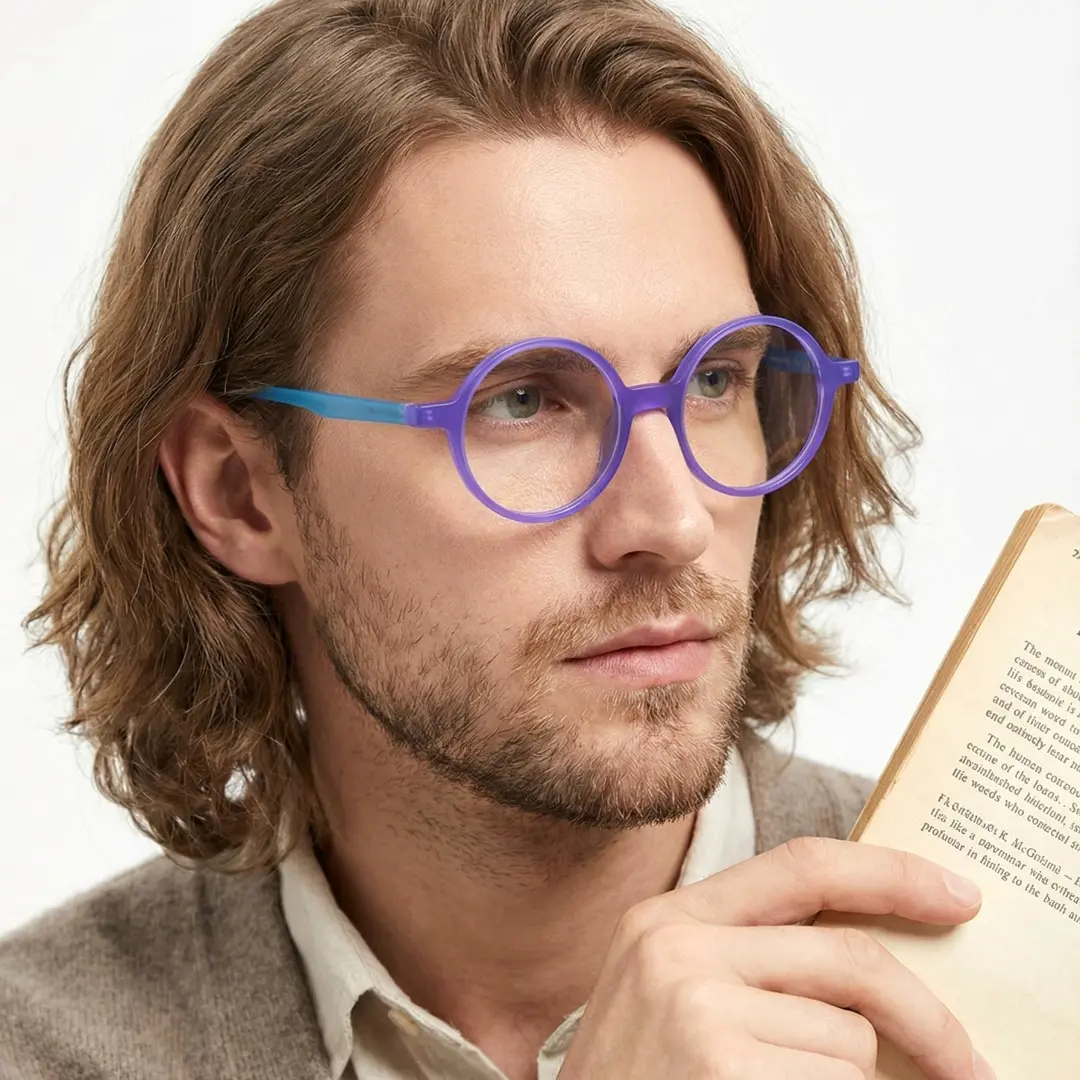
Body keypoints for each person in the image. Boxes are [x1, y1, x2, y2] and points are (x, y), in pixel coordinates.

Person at [0, 0, 997, 1077]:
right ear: (241, 492)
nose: (668, 522)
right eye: (519, 401)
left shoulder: (1018, 966)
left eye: (715, 379)